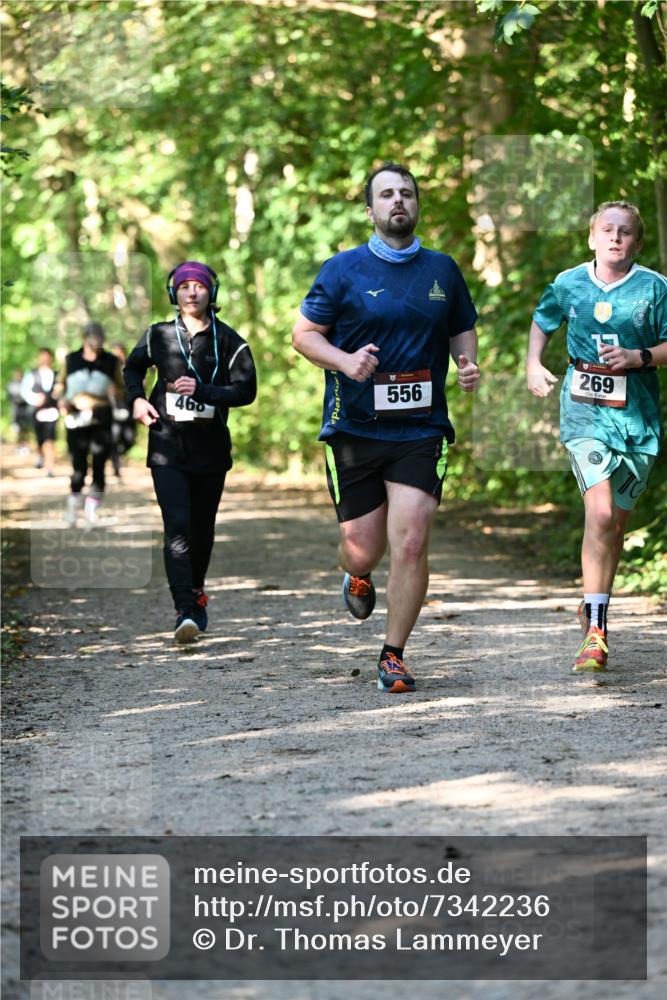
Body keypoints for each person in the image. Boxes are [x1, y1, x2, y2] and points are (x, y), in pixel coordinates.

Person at [292, 163, 480, 693]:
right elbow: (304, 335)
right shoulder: (342, 269)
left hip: (421, 429)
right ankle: (356, 573)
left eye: (407, 193)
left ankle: (393, 654)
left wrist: (466, 363)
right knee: (362, 548)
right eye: (387, 194)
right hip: (354, 429)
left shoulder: (442, 269)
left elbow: (462, 327)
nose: (399, 201)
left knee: (412, 539)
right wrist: (345, 361)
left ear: (417, 204)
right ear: (370, 209)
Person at [527, 200, 667, 673]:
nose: (615, 237)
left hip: (638, 420)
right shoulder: (569, 283)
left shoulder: (655, 287)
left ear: (637, 243)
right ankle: (597, 631)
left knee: (615, 526)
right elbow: (542, 320)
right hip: (584, 412)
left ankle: (593, 599)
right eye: (606, 230)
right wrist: (533, 364)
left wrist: (638, 357)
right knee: (601, 513)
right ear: (591, 238)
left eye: (624, 232)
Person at [123, 260, 256, 644]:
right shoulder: (158, 335)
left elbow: (246, 391)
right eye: (184, 286)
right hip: (166, 445)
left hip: (210, 449)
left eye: (198, 285)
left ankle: (196, 590)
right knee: (177, 526)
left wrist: (204, 391)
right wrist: (136, 400)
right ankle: (184, 609)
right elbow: (132, 369)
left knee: (202, 528)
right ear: (174, 293)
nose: (192, 291)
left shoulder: (230, 340)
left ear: (210, 292)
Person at [57, 323, 123, 524]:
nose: (97, 342)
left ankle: (92, 510)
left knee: (99, 464)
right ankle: (73, 505)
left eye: (100, 338)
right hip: (75, 418)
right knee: (78, 466)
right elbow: (60, 385)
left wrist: (116, 392)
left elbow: (123, 389)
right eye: (93, 337)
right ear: (84, 338)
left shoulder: (112, 361)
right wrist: (62, 401)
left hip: (101, 419)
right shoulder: (71, 360)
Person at [21, 348, 59, 476]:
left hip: (52, 411)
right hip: (36, 412)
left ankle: (50, 467)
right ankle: (40, 456)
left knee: (50, 439)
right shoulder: (31, 374)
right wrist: (35, 399)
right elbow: (25, 391)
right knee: (40, 438)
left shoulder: (56, 374)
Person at [108, 342, 136, 481]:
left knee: (130, 439)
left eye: (120, 353)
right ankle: (116, 467)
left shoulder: (130, 369)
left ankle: (120, 454)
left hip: (128, 408)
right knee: (114, 439)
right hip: (113, 410)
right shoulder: (107, 369)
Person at [7, 367, 33, 453]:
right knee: (17, 429)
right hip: (16, 410)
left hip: (25, 410)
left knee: (26, 428)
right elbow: (11, 398)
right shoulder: (11, 384)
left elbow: (28, 396)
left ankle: (26, 446)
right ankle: (19, 446)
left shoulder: (25, 384)